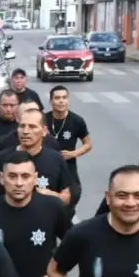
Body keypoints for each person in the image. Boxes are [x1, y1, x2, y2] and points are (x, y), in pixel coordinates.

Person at [0, 108, 75, 206]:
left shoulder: (56, 159)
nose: (26, 131)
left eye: (32, 127)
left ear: (44, 131)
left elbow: (66, 196)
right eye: (22, 126)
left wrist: (53, 195)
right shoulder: (0, 159)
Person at [45, 85, 92, 214]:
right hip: (47, 166)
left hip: (68, 167)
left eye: (64, 97)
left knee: (73, 195)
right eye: (57, 98)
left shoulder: (77, 121)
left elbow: (88, 144)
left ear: (68, 100)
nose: (61, 101)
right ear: (50, 101)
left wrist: (73, 153)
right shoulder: (43, 120)